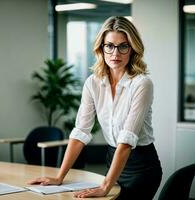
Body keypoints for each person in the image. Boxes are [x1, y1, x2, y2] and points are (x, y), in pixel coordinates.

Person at [28, 16, 162, 200]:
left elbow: (127, 139)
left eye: (123, 46)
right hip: (112, 160)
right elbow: (80, 132)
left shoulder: (141, 84)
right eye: (109, 46)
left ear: (132, 49)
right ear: (101, 48)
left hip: (142, 168)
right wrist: (59, 177)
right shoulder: (93, 83)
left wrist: (106, 186)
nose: (115, 53)